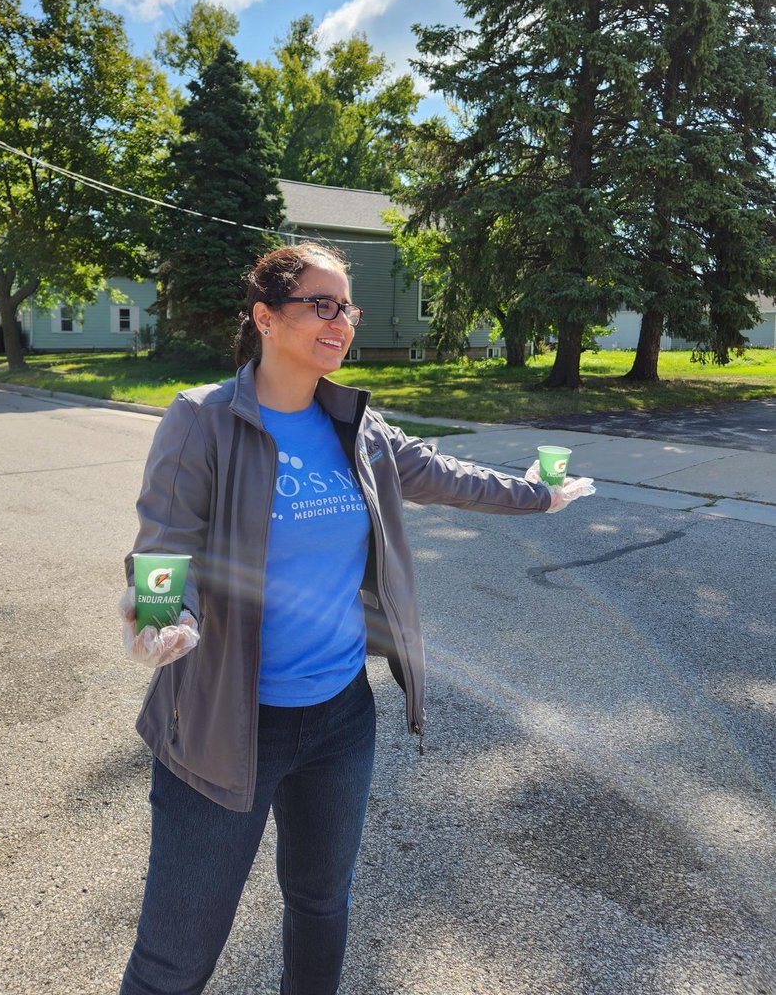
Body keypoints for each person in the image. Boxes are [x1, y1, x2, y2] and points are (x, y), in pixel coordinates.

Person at [118, 241, 595, 995]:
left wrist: (538, 493)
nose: (342, 321)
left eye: (348, 306)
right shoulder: (201, 420)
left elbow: (443, 474)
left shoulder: (356, 426)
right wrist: (161, 615)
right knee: (177, 954)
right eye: (323, 304)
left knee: (320, 904)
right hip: (223, 721)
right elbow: (163, 543)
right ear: (266, 317)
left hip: (340, 718)